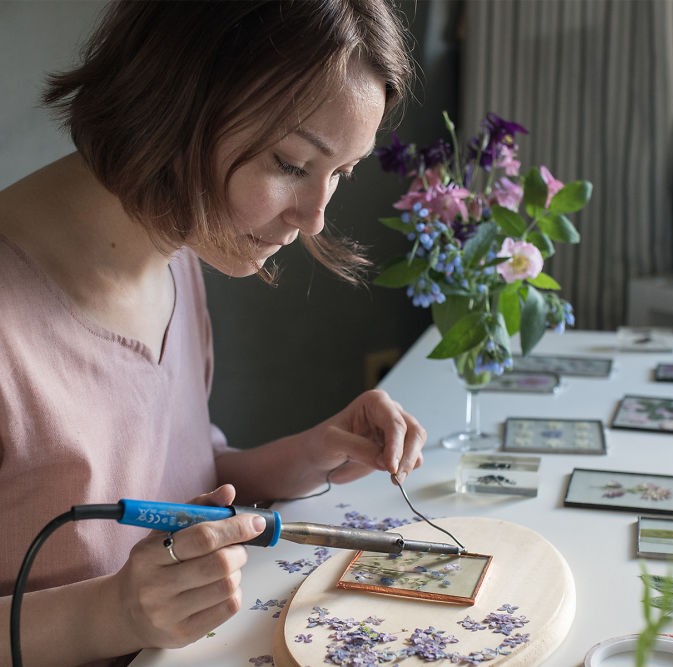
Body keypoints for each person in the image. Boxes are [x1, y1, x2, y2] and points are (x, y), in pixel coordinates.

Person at [0, 1, 424, 665]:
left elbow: (170, 490)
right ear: (175, 94)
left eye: (342, 172)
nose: (315, 218)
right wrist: (113, 613)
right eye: (290, 162)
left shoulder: (175, 255)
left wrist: (307, 455)